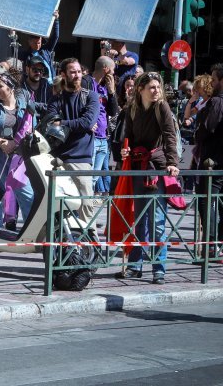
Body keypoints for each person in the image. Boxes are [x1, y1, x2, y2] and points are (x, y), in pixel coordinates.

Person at [118, 72, 179, 284]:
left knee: (157, 222)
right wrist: (126, 150)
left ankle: (159, 269)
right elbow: (129, 137)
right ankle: (135, 266)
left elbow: (170, 136)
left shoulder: (162, 107)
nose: (156, 91)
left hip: (157, 169)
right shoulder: (132, 109)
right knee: (139, 220)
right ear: (140, 89)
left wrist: (172, 162)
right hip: (138, 167)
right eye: (152, 87)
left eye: (158, 87)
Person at [47, 58, 100, 232]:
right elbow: (51, 125)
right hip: (58, 160)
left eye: (79, 71)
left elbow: (87, 122)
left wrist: (62, 123)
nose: (77, 75)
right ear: (63, 74)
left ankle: (88, 242)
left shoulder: (90, 96)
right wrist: (77, 124)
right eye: (72, 72)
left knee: (86, 205)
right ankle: (59, 243)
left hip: (81, 160)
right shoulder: (56, 100)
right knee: (57, 206)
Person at [195, 63, 223, 263]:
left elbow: (206, 130)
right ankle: (221, 248)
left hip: (213, 163)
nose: (211, 83)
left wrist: (198, 131)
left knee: (207, 204)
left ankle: (211, 248)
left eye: (213, 80)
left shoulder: (217, 102)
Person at [0, 72, 34, 228]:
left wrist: (15, 144)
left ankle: (32, 232)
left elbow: (31, 128)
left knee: (26, 195)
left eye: (0, 86)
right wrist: (1, 142)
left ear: (11, 88)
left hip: (18, 159)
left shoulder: (24, 106)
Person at [89, 56, 118, 198]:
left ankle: (88, 204)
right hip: (92, 138)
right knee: (88, 176)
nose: (113, 74)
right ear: (106, 69)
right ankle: (83, 206)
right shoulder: (88, 83)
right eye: (112, 71)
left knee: (95, 177)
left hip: (103, 138)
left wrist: (112, 92)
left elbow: (113, 111)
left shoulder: (104, 88)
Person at [17, 10, 59, 80]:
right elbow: (15, 51)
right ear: (29, 42)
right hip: (36, 84)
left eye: (39, 43)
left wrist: (56, 20)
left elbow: (55, 37)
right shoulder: (26, 55)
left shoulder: (46, 50)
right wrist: (12, 36)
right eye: (35, 43)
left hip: (51, 83)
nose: (37, 45)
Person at [22, 55, 54, 121]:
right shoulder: (21, 86)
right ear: (27, 70)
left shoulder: (47, 87)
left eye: (41, 70)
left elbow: (52, 107)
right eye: (35, 70)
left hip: (44, 123)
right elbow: (23, 106)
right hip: (26, 122)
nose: (38, 73)